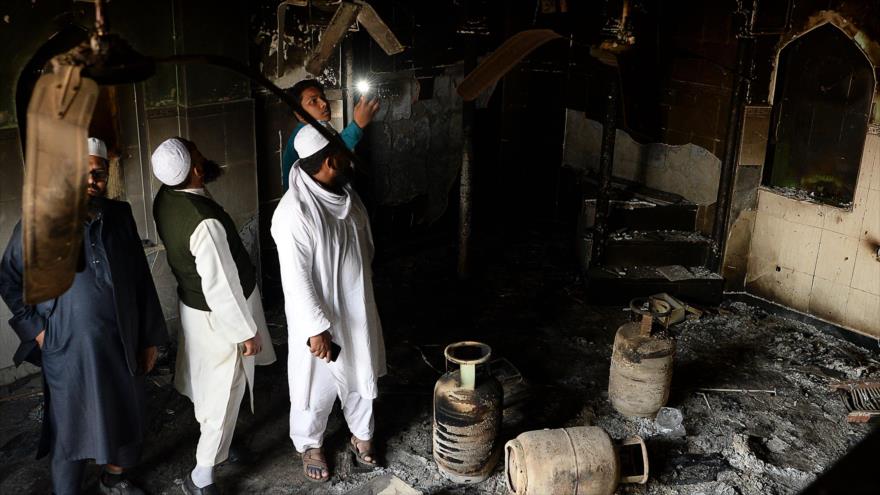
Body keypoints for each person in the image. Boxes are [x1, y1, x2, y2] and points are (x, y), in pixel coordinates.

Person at [0, 137, 167, 495]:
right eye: (85, 172)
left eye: (100, 174)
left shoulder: (118, 216)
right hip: (68, 347)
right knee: (70, 426)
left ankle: (115, 478)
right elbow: (9, 278)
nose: (93, 180)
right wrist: (37, 330)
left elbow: (140, 276)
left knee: (126, 413)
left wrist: (150, 337)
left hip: (122, 341)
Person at [150, 137, 276, 495]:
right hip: (220, 318)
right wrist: (244, 332)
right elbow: (222, 285)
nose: (204, 157)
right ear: (194, 169)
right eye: (198, 154)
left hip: (193, 310)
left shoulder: (166, 197)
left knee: (207, 385)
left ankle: (224, 440)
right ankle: (200, 476)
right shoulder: (204, 224)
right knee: (225, 390)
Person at [271, 124, 387, 482]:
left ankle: (362, 434)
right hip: (319, 322)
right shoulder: (293, 213)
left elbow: (364, 244)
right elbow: (296, 278)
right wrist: (315, 328)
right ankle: (310, 443)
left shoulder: (345, 194)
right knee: (315, 384)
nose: (350, 158)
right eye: (343, 153)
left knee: (360, 367)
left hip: (355, 306)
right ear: (330, 160)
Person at [280, 79, 380, 191]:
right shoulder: (303, 138)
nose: (324, 103)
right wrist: (357, 124)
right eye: (313, 101)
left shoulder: (318, 127)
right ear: (299, 114)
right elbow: (335, 152)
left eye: (323, 97)